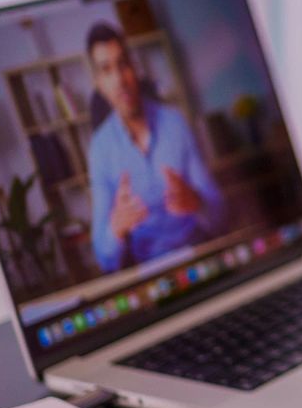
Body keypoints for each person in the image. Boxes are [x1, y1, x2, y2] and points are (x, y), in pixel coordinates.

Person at [83, 23, 224, 271]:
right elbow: (104, 258)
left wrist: (197, 202)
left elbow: (220, 212)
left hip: (199, 258)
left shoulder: (175, 122)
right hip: (151, 273)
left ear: (134, 68)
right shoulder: (99, 149)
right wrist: (116, 228)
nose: (119, 80)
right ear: (99, 83)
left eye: (123, 64)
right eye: (106, 70)